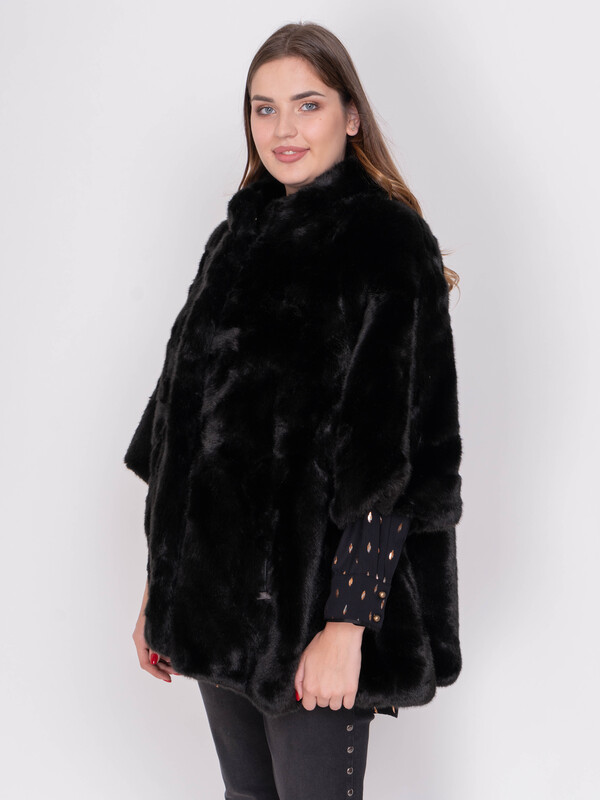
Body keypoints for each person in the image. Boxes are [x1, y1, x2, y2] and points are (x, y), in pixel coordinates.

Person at [125, 21, 463, 800]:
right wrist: (161, 590)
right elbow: (179, 424)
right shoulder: (235, 237)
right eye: (264, 108)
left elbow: (396, 459)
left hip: (316, 609)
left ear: (352, 115)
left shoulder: (387, 244)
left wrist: (346, 626)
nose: (284, 129)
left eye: (308, 105)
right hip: (216, 602)